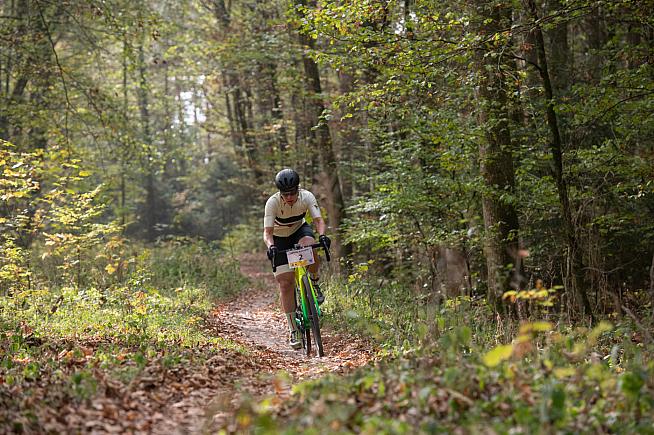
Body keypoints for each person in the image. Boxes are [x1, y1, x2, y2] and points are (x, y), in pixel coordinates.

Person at [263, 168, 331, 350]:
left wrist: (323, 235)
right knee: (285, 284)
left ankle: (314, 283)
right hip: (279, 238)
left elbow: (318, 220)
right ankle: (293, 329)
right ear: (280, 193)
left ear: (298, 189)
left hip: (299, 231)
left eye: (293, 192)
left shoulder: (307, 196)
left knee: (310, 244)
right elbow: (267, 233)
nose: (290, 197)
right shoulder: (272, 203)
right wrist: (271, 247)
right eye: (286, 194)